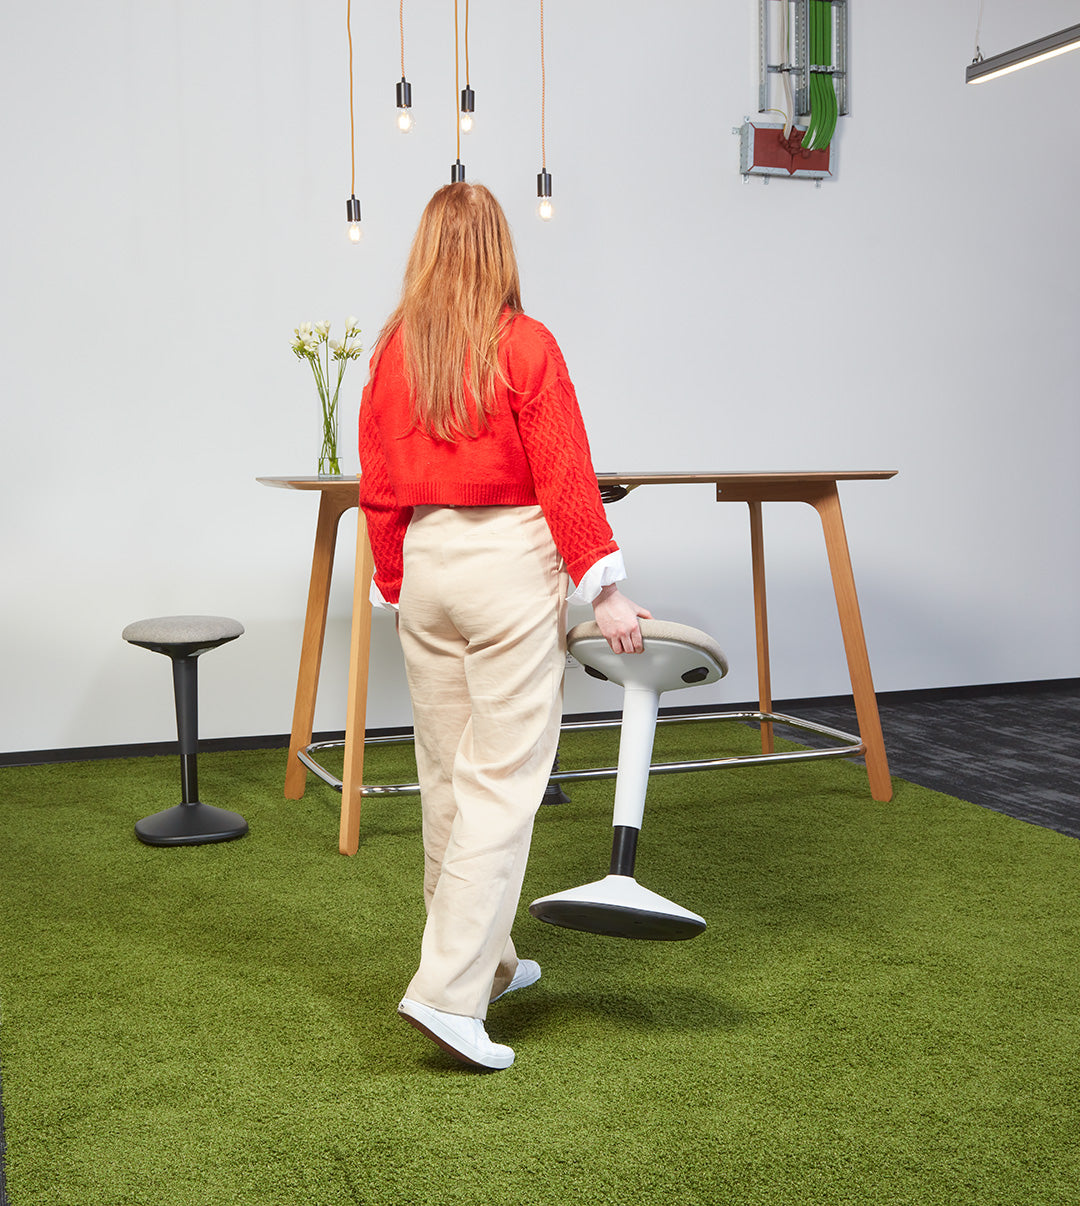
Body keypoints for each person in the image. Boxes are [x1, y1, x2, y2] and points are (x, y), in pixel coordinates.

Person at [358, 182, 650, 1071]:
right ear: (499, 251)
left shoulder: (394, 352)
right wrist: (605, 586)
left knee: (447, 777)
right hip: (509, 567)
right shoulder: (525, 346)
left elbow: (376, 479)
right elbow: (566, 469)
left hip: (430, 565)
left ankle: (486, 966)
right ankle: (446, 994)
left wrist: (397, 579)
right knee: (504, 781)